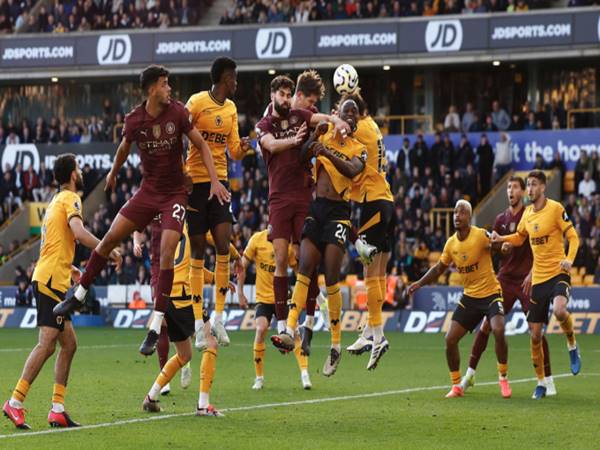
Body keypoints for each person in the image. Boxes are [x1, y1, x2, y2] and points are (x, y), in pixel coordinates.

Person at [52, 65, 229, 359]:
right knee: (109, 239)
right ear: (151, 89)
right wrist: (113, 173)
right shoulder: (135, 119)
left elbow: (201, 145)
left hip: (174, 194)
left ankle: (155, 324)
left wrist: (213, 181)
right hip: (148, 193)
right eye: (164, 84)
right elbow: (123, 148)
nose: (169, 88)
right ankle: (79, 295)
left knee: (167, 250)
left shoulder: (178, 112)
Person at [3, 154, 121, 430]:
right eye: (78, 169)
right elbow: (78, 233)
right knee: (46, 344)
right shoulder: (70, 198)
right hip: (49, 282)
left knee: (69, 344)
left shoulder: (56, 200)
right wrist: (107, 248)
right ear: (71, 174)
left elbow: (58, 242)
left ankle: (57, 409)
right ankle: (15, 402)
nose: (80, 173)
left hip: (54, 279)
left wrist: (71, 269)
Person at [271, 99, 367, 377]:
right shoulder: (324, 133)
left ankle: (336, 345)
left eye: (354, 113)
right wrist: (314, 137)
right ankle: (290, 329)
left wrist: (324, 150)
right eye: (345, 111)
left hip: (339, 211)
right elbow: (302, 157)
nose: (349, 115)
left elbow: (351, 170)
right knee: (304, 264)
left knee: (331, 274)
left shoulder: (358, 148)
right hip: (317, 207)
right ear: (338, 116)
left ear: (357, 122)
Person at [255, 75, 349, 339]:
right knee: (282, 258)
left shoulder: (301, 115)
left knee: (306, 257)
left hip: (305, 194)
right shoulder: (264, 123)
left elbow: (321, 120)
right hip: (279, 197)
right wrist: (294, 142)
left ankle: (307, 320)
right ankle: (283, 325)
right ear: (274, 95)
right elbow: (270, 144)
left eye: (288, 94)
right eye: (282, 95)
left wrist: (336, 119)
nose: (285, 99)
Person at [461, 176, 555, 395]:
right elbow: (494, 249)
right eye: (508, 188)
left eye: (514, 187)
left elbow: (539, 250)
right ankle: (469, 375)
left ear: (523, 192)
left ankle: (548, 379)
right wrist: (498, 247)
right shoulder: (500, 219)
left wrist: (533, 273)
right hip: (504, 279)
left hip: (527, 280)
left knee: (536, 330)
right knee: (486, 326)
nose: (510, 191)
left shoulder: (531, 217)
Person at [408, 200, 511, 399]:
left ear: (469, 216)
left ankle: (503, 377)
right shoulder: (451, 244)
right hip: (470, 297)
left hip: (491, 293)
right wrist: (419, 283)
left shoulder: (480, 235)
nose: (457, 215)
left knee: (498, 329)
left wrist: (505, 248)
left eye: (462, 212)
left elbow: (498, 246)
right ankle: (456, 385)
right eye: (455, 212)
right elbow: (438, 269)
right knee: (450, 339)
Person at [491, 170, 581, 399]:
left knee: (560, 310)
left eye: (533, 185)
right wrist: (502, 239)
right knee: (535, 335)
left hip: (558, 272)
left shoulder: (556, 209)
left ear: (543, 188)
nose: (529, 189)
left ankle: (572, 344)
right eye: (528, 185)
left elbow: (574, 237)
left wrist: (569, 260)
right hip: (539, 278)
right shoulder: (528, 214)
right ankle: (541, 382)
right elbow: (520, 237)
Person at [185, 57, 250, 347]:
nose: (237, 83)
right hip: (196, 184)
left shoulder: (232, 109)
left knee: (223, 244)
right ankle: (200, 325)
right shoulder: (197, 103)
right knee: (198, 249)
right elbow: (178, 135)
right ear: (225, 78)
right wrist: (181, 174)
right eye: (234, 78)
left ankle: (220, 318)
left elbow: (233, 151)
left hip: (220, 184)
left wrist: (244, 147)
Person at [342, 90, 395, 370]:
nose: (346, 117)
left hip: (372, 201)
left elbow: (343, 148)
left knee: (369, 272)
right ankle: (367, 333)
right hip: (386, 200)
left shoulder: (357, 130)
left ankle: (378, 335)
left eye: (349, 111)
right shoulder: (371, 124)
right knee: (380, 273)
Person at [237, 229, 312, 390]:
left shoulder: (287, 243)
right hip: (263, 299)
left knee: (295, 334)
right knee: (261, 329)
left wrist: (305, 292)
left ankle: (305, 374)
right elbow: (242, 266)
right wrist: (240, 292)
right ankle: (259, 378)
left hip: (283, 298)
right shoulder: (257, 239)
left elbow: (299, 271)